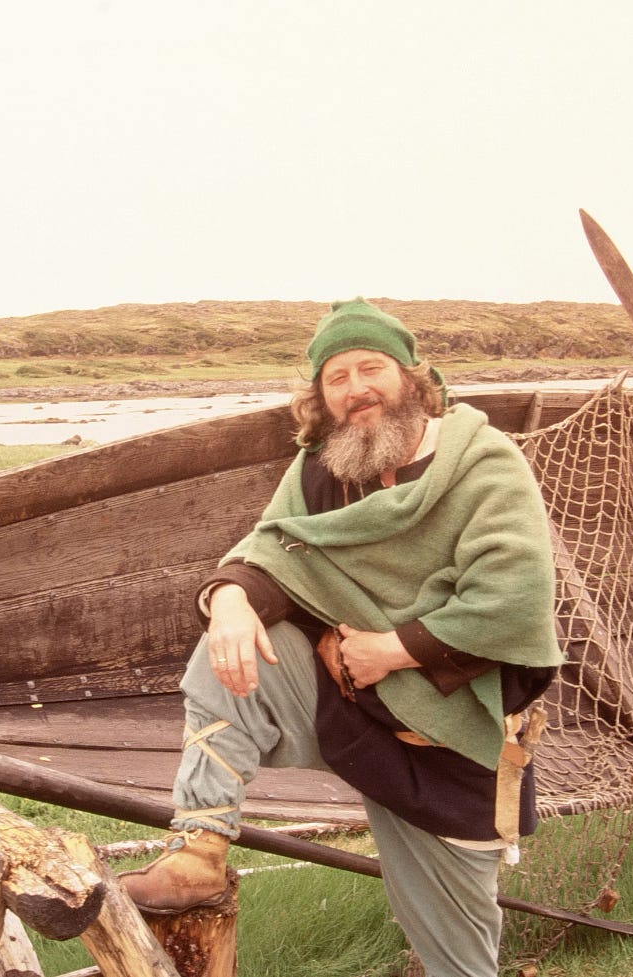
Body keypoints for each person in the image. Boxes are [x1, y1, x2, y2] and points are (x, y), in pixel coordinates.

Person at [119, 298, 562, 977]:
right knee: (231, 645)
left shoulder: (483, 463)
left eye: (371, 367)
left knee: (459, 959)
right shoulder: (320, 471)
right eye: (337, 377)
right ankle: (198, 848)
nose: (356, 388)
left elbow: (514, 600)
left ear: (412, 377)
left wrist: (392, 648)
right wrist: (231, 597)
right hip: (355, 715)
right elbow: (270, 550)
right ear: (320, 397)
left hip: (452, 748)